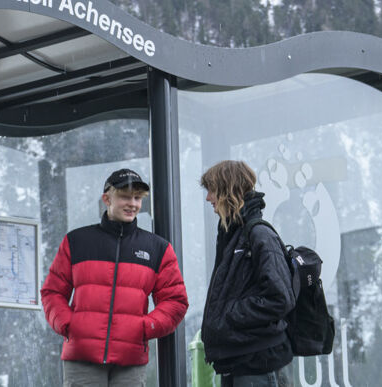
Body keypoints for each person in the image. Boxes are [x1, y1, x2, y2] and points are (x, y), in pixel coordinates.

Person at [41, 168, 189, 387]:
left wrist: (145, 328)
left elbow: (175, 301)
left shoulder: (158, 248)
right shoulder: (77, 241)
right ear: (107, 199)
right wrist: (69, 324)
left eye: (137, 198)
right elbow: (52, 292)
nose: (133, 204)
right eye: (125, 196)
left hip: (130, 360)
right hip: (82, 358)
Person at [199, 160, 295, 386]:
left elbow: (280, 298)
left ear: (227, 190)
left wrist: (229, 314)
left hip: (260, 362)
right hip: (238, 360)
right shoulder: (232, 236)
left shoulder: (260, 235)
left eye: (212, 190)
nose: (208, 198)